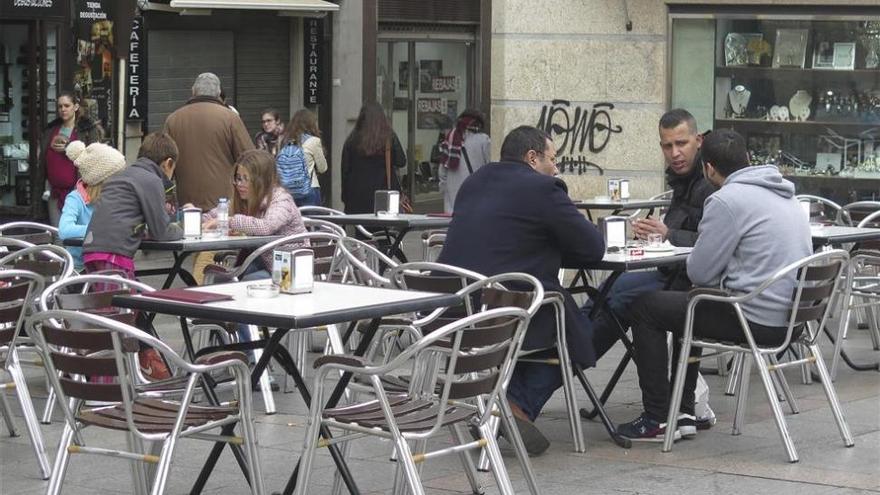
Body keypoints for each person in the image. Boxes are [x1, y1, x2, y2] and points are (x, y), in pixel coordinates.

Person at [617, 129, 813, 442]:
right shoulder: (786, 194)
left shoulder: (726, 200)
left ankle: (656, 418)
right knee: (689, 305)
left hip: (755, 321)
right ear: (748, 159)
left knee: (646, 307)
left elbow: (700, 272)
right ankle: (683, 411)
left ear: (708, 168)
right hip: (792, 321)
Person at [437, 125, 605, 455]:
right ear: (532, 158)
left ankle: (499, 402)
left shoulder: (475, 182)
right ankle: (516, 404)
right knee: (579, 328)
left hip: (454, 313)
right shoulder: (543, 189)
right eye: (552, 159)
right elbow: (593, 248)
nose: (556, 168)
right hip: (506, 313)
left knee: (549, 315)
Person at [588, 109, 719, 429]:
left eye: (681, 143)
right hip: (673, 272)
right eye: (666, 145)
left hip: (695, 282)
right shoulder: (683, 179)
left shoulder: (710, 181)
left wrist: (667, 234)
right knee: (610, 293)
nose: (674, 153)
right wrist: (654, 232)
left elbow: (712, 241)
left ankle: (572, 353)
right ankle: (571, 346)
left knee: (627, 303)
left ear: (698, 141)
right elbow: (681, 230)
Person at [81, 132, 184, 380]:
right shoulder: (151, 180)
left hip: (94, 249)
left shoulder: (124, 175)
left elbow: (128, 216)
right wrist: (184, 228)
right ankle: (103, 385)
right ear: (168, 163)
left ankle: (119, 375)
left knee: (114, 312)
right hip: (115, 253)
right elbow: (161, 231)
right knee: (116, 319)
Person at [164, 72, 253, 283]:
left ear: (193, 92)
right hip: (224, 203)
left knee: (200, 251)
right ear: (219, 93)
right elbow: (249, 158)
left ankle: (200, 292)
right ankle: (207, 297)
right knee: (217, 256)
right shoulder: (230, 118)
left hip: (188, 204)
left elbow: (165, 164)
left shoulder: (173, 119)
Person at [58, 140, 128, 271]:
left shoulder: (112, 198)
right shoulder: (75, 199)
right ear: (101, 181)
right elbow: (64, 230)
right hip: (79, 269)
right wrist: (98, 230)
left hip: (105, 263)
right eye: (117, 177)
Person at [41, 91, 103, 226]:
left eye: (66, 105)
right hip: (54, 192)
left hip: (78, 191)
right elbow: (42, 159)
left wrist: (69, 147)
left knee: (76, 231)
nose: (63, 109)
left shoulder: (87, 130)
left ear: (75, 107)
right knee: (57, 232)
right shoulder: (51, 130)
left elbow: (94, 156)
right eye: (60, 106)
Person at [341, 102, 406, 214]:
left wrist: (345, 196)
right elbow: (401, 161)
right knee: (385, 229)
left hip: (356, 197)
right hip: (384, 196)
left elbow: (345, 170)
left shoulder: (352, 139)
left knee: (361, 229)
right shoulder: (388, 137)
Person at [438, 109, 490, 213]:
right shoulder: (484, 140)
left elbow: (442, 172)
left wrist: (445, 189)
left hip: (452, 203)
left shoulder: (450, 139)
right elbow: (491, 166)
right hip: (476, 197)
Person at [277, 109, 328, 207]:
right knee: (311, 221)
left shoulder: (283, 141)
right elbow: (323, 168)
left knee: (292, 221)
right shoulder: (314, 141)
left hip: (287, 191)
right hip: (309, 190)